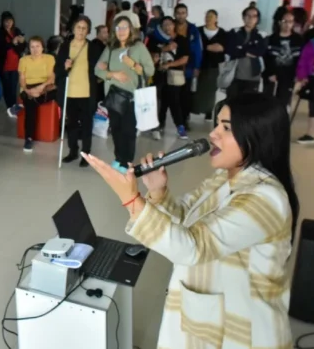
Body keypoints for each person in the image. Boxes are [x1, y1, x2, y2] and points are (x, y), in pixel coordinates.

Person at [81, 92, 299, 349]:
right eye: (217, 124)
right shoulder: (225, 178)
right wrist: (158, 192)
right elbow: (186, 219)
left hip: (241, 335)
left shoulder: (265, 199)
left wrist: (131, 201)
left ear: (258, 134)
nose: (213, 134)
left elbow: (194, 247)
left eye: (226, 128)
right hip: (209, 320)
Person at [95, 16, 155, 172]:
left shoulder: (138, 47)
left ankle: (126, 162)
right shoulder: (110, 48)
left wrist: (134, 64)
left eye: (124, 27)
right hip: (113, 96)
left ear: (131, 30)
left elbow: (150, 70)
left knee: (128, 130)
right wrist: (113, 74)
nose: (121, 31)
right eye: (118, 28)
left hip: (131, 97)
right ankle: (118, 158)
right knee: (115, 129)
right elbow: (97, 70)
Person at [55, 15, 103, 167]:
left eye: (84, 28)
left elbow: (100, 69)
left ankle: (86, 154)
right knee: (72, 124)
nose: (81, 31)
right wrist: (65, 66)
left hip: (87, 93)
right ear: (73, 29)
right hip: (70, 92)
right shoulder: (65, 46)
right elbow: (57, 70)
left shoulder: (94, 48)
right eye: (78, 27)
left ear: (88, 31)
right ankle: (73, 151)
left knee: (87, 125)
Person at [6, 37, 56, 152]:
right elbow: (22, 79)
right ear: (29, 48)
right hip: (28, 87)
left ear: (42, 47)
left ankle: (20, 106)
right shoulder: (23, 60)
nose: (35, 49)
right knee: (30, 106)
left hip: (45, 85)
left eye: (38, 46)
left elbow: (51, 77)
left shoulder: (49, 58)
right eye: (32, 47)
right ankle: (28, 138)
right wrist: (27, 90)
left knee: (56, 91)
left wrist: (41, 87)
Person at [152, 17, 190, 140]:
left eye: (169, 24)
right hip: (159, 75)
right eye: (164, 25)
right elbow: (150, 54)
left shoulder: (181, 40)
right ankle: (159, 124)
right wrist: (164, 49)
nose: (167, 27)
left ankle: (180, 126)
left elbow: (185, 59)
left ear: (174, 25)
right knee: (160, 101)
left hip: (174, 74)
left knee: (174, 101)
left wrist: (169, 64)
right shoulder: (155, 39)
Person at [226, 6, 268, 98]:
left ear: (257, 19)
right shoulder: (234, 32)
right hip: (233, 75)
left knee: (248, 106)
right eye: (248, 15)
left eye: (254, 16)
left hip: (253, 76)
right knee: (231, 103)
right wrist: (247, 51)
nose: (250, 18)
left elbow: (260, 51)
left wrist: (241, 49)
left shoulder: (262, 34)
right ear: (243, 17)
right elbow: (230, 50)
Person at [265, 11, 305, 109]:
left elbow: (301, 59)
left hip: (289, 76)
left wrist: (299, 75)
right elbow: (266, 58)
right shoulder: (271, 39)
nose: (287, 24)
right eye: (285, 21)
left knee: (283, 102)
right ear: (279, 22)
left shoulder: (298, 40)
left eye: (290, 21)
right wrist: (269, 73)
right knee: (267, 102)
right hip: (272, 76)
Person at [173, 4, 203, 129]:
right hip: (173, 66)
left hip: (188, 67)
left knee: (185, 96)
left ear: (187, 14)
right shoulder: (170, 26)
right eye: (178, 12)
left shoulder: (193, 29)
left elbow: (198, 49)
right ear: (175, 14)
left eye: (183, 12)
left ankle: (184, 121)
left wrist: (197, 66)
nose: (181, 15)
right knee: (172, 96)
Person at [194, 10, 228, 120]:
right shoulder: (198, 31)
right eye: (207, 16)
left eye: (211, 16)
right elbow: (195, 46)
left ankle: (208, 111)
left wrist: (205, 47)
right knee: (197, 88)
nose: (208, 18)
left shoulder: (222, 33)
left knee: (211, 89)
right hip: (199, 64)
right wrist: (211, 47)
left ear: (216, 19)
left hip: (214, 65)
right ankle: (195, 109)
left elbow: (222, 48)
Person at [0, 11, 26, 109]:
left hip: (15, 64)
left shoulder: (16, 31)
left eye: (10, 21)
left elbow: (22, 47)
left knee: (13, 88)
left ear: (13, 21)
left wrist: (21, 42)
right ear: (2, 22)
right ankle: (10, 107)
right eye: (6, 21)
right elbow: (1, 49)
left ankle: (13, 107)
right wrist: (13, 43)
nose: (8, 23)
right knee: (6, 88)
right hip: (4, 65)